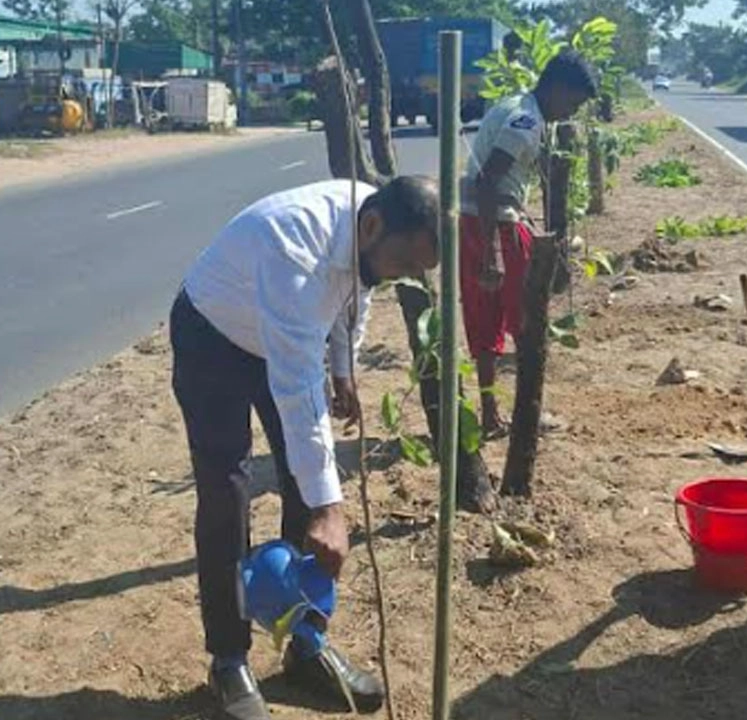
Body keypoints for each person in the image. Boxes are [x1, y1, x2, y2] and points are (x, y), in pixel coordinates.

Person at [170, 177, 440, 720]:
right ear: (371, 228)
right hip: (213, 331)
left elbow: (353, 296)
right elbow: (296, 388)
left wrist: (343, 371)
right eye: (406, 266)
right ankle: (229, 661)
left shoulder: (369, 217)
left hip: (275, 332)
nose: (404, 279)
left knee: (306, 478)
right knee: (228, 493)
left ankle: (306, 644)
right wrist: (331, 510)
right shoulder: (295, 248)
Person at [459, 50, 598, 437]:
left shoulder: (514, 104)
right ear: (557, 88)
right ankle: (525, 413)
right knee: (527, 320)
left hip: (475, 221)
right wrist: (493, 252)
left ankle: (489, 412)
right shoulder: (527, 121)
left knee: (483, 321)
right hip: (493, 226)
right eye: (572, 102)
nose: (569, 112)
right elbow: (489, 181)